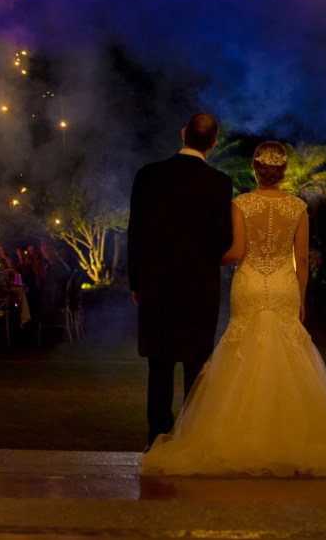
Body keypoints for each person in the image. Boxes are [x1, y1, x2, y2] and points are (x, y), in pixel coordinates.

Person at [140, 141, 326, 476]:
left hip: (249, 283)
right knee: (287, 358)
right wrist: (301, 296)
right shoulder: (297, 208)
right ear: (283, 171)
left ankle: (236, 436)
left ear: (255, 169)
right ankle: (287, 438)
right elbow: (303, 259)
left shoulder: (241, 204)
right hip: (283, 286)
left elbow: (235, 252)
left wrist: (206, 262)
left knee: (243, 352)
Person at [128, 112, 234, 448]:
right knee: (195, 366)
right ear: (214, 144)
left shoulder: (148, 175)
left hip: (156, 285)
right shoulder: (218, 183)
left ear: (183, 133)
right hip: (199, 287)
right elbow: (222, 239)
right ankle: (191, 437)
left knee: (159, 366)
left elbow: (135, 234)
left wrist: (135, 283)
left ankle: (157, 436)